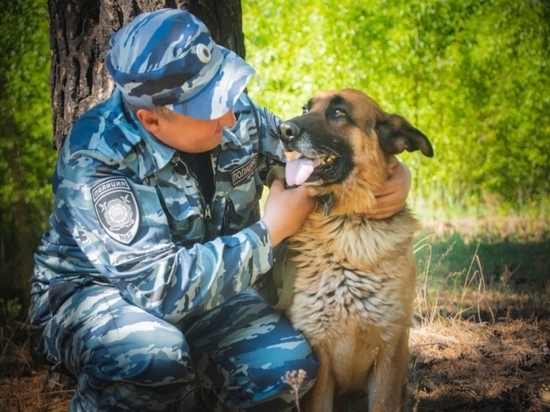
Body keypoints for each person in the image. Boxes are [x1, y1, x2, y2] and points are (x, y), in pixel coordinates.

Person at [29, 8, 411, 412]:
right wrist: (270, 232)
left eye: (224, 94)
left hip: (215, 290)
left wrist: (395, 174)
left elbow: (318, 154)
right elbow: (161, 288)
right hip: (98, 293)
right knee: (151, 360)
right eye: (210, 107)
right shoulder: (97, 157)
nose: (231, 116)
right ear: (151, 120)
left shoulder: (234, 116)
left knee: (287, 370)